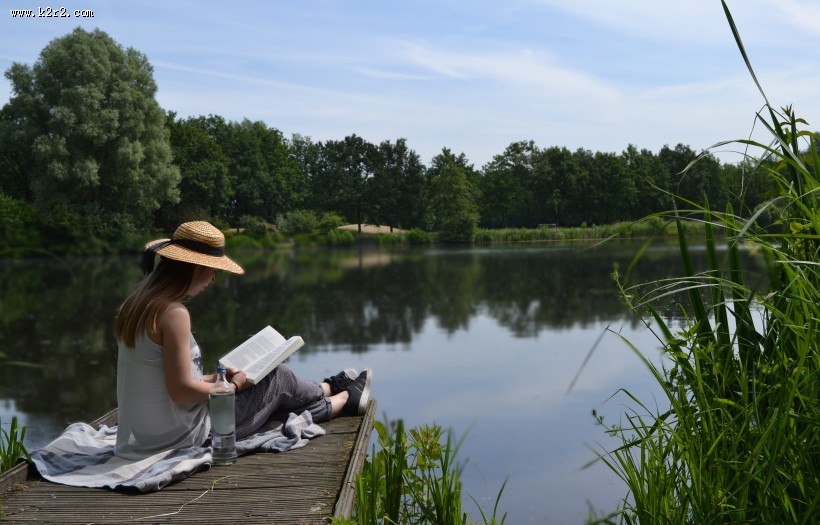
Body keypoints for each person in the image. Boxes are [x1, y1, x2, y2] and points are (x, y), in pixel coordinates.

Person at [113, 220, 371, 460]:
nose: (214, 279)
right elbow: (180, 392)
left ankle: (330, 391)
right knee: (277, 377)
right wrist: (233, 387)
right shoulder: (173, 313)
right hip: (182, 436)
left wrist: (218, 379)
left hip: (147, 434)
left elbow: (165, 379)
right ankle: (339, 397)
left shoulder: (135, 306)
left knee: (267, 396)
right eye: (213, 270)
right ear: (196, 268)